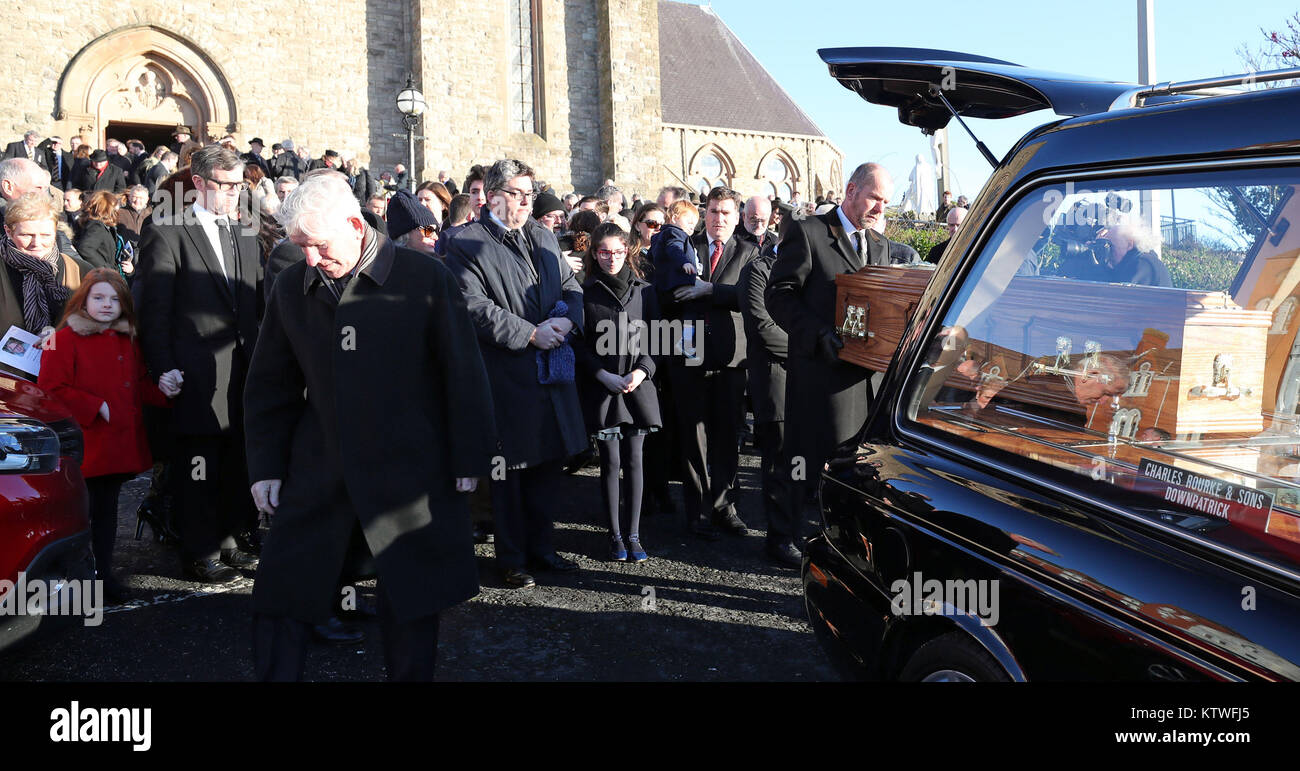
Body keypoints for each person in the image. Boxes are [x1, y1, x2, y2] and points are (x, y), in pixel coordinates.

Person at [243, 172, 497, 681]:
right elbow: (270, 383)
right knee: (284, 595)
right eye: (299, 246)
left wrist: (470, 457)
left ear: (356, 225)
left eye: (317, 245)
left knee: (410, 600)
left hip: (410, 468)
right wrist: (265, 467)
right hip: (319, 466)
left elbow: (463, 374)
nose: (309, 258)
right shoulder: (294, 285)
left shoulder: (425, 279)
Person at [445, 158, 587, 589]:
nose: (527, 202)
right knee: (509, 472)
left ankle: (542, 548)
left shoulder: (543, 236)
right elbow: (472, 307)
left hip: (551, 371)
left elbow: (572, 287)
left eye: (530, 194)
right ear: (491, 196)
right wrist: (529, 334)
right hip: (506, 373)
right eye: (517, 194)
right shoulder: (463, 242)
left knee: (547, 466)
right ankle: (510, 558)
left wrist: (567, 322)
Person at [135, 144, 262, 584]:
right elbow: (155, 309)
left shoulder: (245, 231)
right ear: (200, 183)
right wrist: (162, 366)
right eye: (225, 186)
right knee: (197, 464)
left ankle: (228, 541)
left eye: (238, 186)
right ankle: (198, 550)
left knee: (233, 460)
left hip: (241, 367)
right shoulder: (166, 230)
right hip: (193, 369)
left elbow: (254, 301)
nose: (233, 194)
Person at [765, 162, 894, 565]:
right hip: (818, 372)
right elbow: (779, 295)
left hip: (863, 377)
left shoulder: (880, 244)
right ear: (851, 190)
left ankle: (842, 540)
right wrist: (817, 333)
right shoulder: (810, 233)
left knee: (851, 465)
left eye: (886, 201)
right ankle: (781, 535)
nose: (879, 207)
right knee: (802, 458)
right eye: (874, 197)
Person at [38, 269, 181, 601]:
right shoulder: (64, 339)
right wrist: (94, 405)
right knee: (80, 516)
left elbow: (139, 385)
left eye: (115, 299)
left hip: (116, 446)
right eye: (99, 297)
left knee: (106, 515)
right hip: (87, 446)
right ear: (84, 300)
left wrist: (165, 391)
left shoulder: (126, 339)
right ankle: (79, 581)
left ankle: (102, 575)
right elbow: (50, 388)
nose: (107, 305)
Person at [661, 186, 758, 539]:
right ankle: (696, 509)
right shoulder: (686, 245)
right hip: (688, 355)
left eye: (726, 213)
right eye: (714, 212)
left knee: (727, 436)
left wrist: (710, 291)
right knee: (693, 437)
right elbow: (666, 289)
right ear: (705, 214)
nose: (719, 219)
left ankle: (723, 507)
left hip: (732, 359)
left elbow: (753, 296)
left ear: (738, 216)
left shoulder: (749, 251)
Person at [574, 222, 661, 562]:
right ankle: (614, 535)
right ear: (595, 253)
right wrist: (601, 374)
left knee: (636, 461)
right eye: (605, 252)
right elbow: (578, 343)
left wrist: (642, 371)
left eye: (618, 251)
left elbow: (659, 337)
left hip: (637, 387)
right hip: (604, 388)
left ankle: (635, 534)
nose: (612, 258)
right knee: (610, 462)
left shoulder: (645, 291)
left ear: (628, 251)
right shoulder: (584, 291)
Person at [739, 234, 792, 566]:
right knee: (779, 462)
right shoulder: (758, 270)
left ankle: (796, 532)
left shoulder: (805, 269)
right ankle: (780, 539)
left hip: (807, 379)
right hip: (776, 377)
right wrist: (808, 349)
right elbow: (761, 326)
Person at [0, 193, 84, 340]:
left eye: (45, 235)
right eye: (27, 235)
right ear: (8, 231)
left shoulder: (81, 272)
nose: (36, 243)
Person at [1098, 217, 1172, 287]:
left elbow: (1116, 294)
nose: (1109, 252)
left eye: (1111, 246)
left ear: (1129, 244)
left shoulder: (1142, 264)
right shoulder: (1140, 260)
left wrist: (1097, 267)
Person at [74, 190, 129, 274]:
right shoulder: (97, 226)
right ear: (107, 208)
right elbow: (85, 248)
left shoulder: (102, 225)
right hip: (99, 275)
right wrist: (106, 268)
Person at [386, 189, 440, 256]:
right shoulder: (385, 264)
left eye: (436, 230)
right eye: (428, 230)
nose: (436, 237)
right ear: (405, 234)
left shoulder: (437, 263)